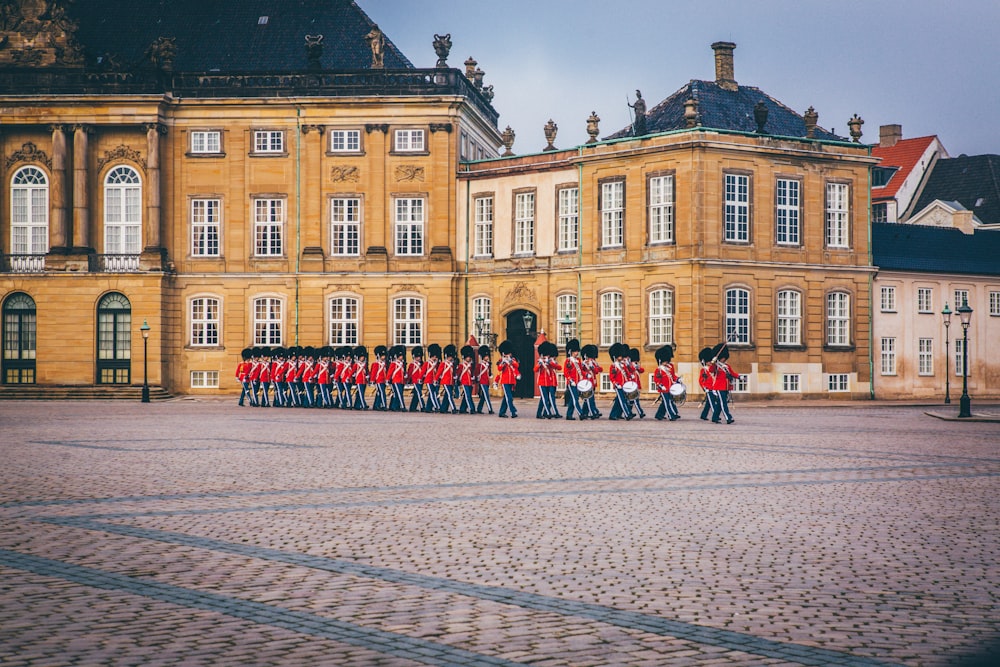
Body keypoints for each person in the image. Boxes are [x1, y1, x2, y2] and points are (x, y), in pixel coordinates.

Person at [710, 343, 740, 424]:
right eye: (723, 358)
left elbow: (732, 373)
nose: (724, 359)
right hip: (719, 387)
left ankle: (715, 417)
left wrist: (739, 377)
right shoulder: (716, 366)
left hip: (726, 387)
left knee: (720, 403)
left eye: (724, 358)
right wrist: (713, 362)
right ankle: (728, 417)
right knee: (723, 404)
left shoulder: (726, 366)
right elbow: (711, 370)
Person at [653, 345, 681, 421]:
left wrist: (677, 379)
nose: (666, 363)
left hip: (670, 388)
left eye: (666, 361)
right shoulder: (659, 370)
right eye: (664, 361)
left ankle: (659, 415)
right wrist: (661, 386)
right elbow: (656, 380)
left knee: (668, 402)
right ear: (660, 361)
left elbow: (672, 376)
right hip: (663, 389)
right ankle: (671, 415)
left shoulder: (669, 367)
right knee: (667, 402)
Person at [608, 343, 635, 421]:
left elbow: (628, 372)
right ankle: (627, 414)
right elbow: (612, 377)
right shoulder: (613, 366)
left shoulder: (623, 365)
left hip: (625, 385)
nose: (621, 357)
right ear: (615, 356)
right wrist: (616, 383)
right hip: (618, 386)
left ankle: (613, 415)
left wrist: (630, 376)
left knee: (618, 401)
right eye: (619, 356)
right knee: (622, 401)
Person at [535, 341, 561, 418]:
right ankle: (548, 413)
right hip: (542, 382)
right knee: (545, 398)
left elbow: (559, 367)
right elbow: (535, 369)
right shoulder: (540, 361)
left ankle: (540, 413)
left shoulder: (551, 361)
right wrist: (540, 363)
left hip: (549, 382)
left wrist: (550, 363)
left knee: (545, 399)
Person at [495, 340, 520, 418]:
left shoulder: (512, 360)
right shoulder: (501, 360)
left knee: (506, 398)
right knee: (509, 397)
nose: (509, 354)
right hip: (505, 381)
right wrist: (503, 362)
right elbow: (499, 369)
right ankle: (513, 412)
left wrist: (511, 361)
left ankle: (502, 412)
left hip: (512, 381)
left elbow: (517, 366)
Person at [562, 339, 585, 420]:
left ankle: (569, 415)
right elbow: (565, 372)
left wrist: (586, 376)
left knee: (573, 399)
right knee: (575, 399)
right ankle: (581, 413)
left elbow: (581, 371)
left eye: (577, 351)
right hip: (572, 383)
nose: (577, 353)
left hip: (578, 383)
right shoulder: (568, 361)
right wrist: (570, 380)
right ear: (571, 351)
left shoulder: (578, 360)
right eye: (575, 351)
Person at [581, 344, 602, 419]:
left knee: (588, 399)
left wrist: (592, 366)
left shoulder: (593, 362)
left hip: (593, 382)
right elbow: (581, 371)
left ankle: (584, 413)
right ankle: (593, 412)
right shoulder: (584, 362)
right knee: (590, 398)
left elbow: (598, 370)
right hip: (587, 382)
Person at [698, 346, 718, 421]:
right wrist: (704, 387)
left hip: (714, 388)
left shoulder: (713, 369)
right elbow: (701, 380)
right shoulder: (704, 370)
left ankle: (703, 415)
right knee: (712, 403)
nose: (710, 363)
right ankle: (715, 415)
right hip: (708, 388)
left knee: (708, 403)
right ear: (705, 362)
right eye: (709, 361)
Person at [626, 346, 646, 419]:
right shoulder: (630, 365)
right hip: (632, 386)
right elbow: (630, 371)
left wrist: (637, 367)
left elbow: (642, 370)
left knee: (631, 401)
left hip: (636, 385)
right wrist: (634, 366)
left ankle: (628, 413)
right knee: (635, 400)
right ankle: (641, 412)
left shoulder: (636, 365)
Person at [437, 344, 458, 414]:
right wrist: (435, 379)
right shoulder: (444, 364)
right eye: (449, 357)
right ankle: (453, 408)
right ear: (446, 356)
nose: (451, 358)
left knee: (447, 395)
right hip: (445, 381)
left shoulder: (452, 364)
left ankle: (443, 408)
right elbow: (439, 372)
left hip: (451, 381)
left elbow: (454, 373)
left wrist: (455, 377)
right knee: (449, 395)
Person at [475, 345, 494, 414]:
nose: (487, 357)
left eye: (487, 356)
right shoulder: (480, 365)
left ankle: (479, 409)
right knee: (486, 396)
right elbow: (477, 373)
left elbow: (489, 374)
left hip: (487, 382)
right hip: (482, 382)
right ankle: (490, 409)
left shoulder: (488, 365)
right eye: (486, 356)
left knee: (483, 397)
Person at [423, 344, 442, 413]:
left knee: (435, 393)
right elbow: (423, 372)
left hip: (435, 381)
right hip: (429, 380)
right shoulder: (427, 363)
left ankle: (428, 408)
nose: (435, 358)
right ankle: (436, 406)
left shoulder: (437, 364)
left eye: (436, 356)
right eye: (434, 356)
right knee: (432, 394)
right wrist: (420, 379)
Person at [457, 345, 476, 414]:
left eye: (470, 357)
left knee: (466, 396)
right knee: (468, 396)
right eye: (468, 357)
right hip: (464, 382)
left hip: (469, 382)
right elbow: (458, 373)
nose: (469, 358)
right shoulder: (461, 365)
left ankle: (462, 408)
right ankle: (472, 408)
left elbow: (472, 373)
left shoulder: (471, 365)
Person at [388, 346, 407, 412]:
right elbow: (390, 372)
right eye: (400, 356)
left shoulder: (402, 363)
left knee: (396, 394)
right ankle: (402, 406)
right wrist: (388, 379)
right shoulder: (394, 363)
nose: (401, 357)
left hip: (401, 381)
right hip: (396, 381)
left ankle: (394, 406)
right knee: (399, 394)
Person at [407, 345, 426, 412]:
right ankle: (423, 406)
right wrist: (408, 381)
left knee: (416, 395)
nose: (419, 358)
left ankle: (413, 407)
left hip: (420, 381)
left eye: (420, 357)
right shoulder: (412, 364)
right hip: (415, 381)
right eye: (417, 357)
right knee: (419, 394)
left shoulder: (422, 364)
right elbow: (409, 373)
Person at [370, 345, 388, 411]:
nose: (384, 357)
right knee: (382, 393)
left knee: (379, 393)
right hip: (378, 380)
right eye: (382, 356)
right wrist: (372, 380)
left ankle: (376, 405)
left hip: (383, 380)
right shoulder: (376, 364)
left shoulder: (384, 364)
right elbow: (374, 373)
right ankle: (384, 405)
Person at [352, 345, 369, 410]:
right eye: (361, 357)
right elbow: (352, 372)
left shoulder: (364, 364)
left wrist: (368, 376)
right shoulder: (356, 364)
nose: (362, 358)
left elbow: (367, 371)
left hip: (364, 380)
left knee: (360, 393)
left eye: (363, 357)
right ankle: (363, 405)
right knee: (361, 393)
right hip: (359, 380)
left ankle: (357, 405)